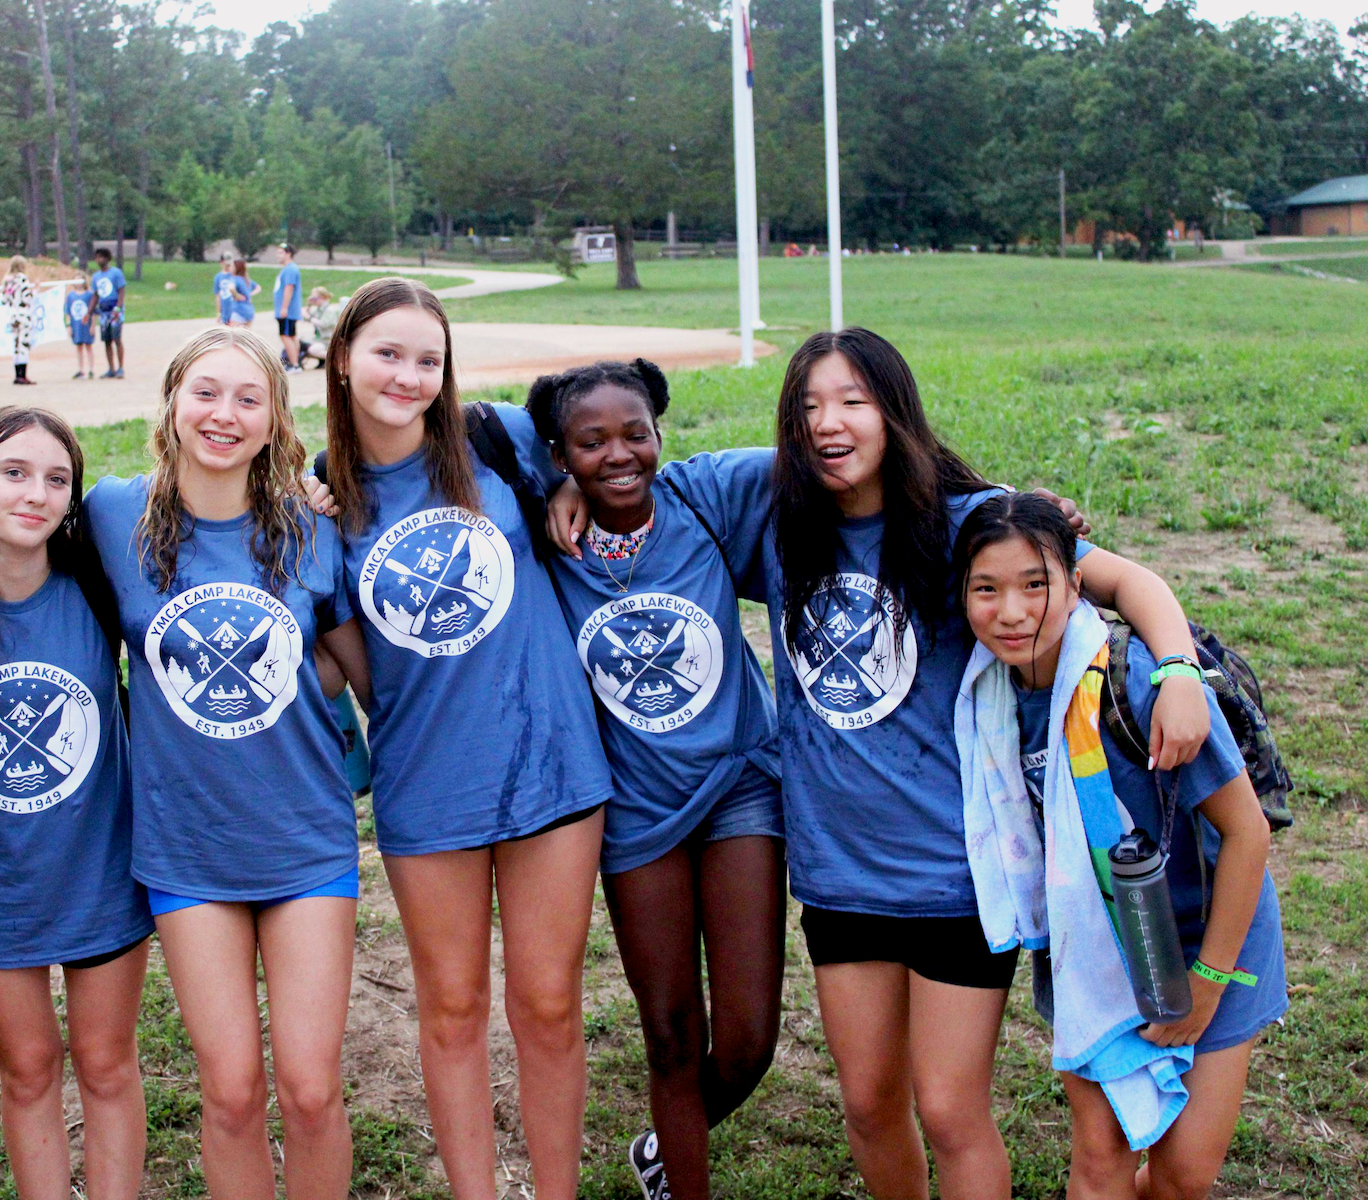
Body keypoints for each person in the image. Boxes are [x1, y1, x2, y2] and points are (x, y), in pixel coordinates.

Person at [544, 327, 1212, 1200]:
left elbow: (1127, 584)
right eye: (810, 407)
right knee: (866, 1104)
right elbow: (614, 464)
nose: (830, 424)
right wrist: (562, 479)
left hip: (957, 873)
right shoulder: (771, 510)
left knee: (949, 1108)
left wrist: (1179, 670)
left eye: (853, 402)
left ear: (894, 414)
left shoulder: (969, 523)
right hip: (838, 873)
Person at [310, 277, 613, 1200]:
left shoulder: (496, 441)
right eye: (387, 353)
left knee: (551, 1004)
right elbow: (343, 657)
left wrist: (563, 482)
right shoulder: (320, 496)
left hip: (552, 764)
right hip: (430, 780)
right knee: (450, 1009)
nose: (408, 375)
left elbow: (594, 461)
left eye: (427, 359)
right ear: (343, 360)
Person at [81, 327, 371, 1200]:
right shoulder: (108, 515)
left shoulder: (310, 530)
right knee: (234, 1092)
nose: (224, 414)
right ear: (171, 402)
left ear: (275, 420)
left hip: (305, 837)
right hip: (185, 844)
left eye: (249, 398)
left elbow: (363, 670)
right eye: (205, 392)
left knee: (312, 1091)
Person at [955, 493, 1285, 1200]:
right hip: (1095, 949)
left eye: (1036, 585)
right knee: (1100, 1154)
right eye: (986, 589)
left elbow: (1248, 832)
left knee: (1182, 1178)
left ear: (1079, 585)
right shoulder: (985, 700)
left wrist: (1208, 983)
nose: (1011, 612)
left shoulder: (1134, 681)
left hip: (1212, 939)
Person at [526, 360, 786, 1200]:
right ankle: (681, 1178)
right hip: (636, 809)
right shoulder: (542, 537)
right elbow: (454, 426)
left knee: (746, 1038)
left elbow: (842, 452)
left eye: (635, 432)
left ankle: (665, 1145)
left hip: (739, 784)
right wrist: (550, 483)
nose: (619, 454)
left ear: (661, 434)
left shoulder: (703, 497)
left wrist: (1002, 505)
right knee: (671, 1034)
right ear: (559, 453)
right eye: (591, 441)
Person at [0, 406, 153, 1200]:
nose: (36, 494)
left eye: (57, 479)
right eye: (14, 473)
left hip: (101, 869)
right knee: (27, 1071)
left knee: (109, 1064)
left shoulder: (97, 578)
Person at [2, 257, 39, 386]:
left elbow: (4, 299)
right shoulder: (22, 279)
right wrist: (36, 290)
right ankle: (23, 375)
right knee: (23, 344)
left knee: (16, 345)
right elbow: (27, 298)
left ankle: (17, 374)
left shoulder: (7, 280)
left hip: (12, 315)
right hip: (23, 315)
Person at [91, 248, 126, 379]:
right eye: (97, 257)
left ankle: (121, 367)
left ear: (107, 258)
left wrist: (118, 307)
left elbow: (121, 291)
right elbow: (95, 295)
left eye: (101, 257)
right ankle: (111, 368)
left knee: (117, 339)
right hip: (103, 311)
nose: (99, 260)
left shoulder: (116, 273)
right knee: (107, 340)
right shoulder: (96, 277)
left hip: (114, 309)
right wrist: (90, 312)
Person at [273, 244, 303, 373]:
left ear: (288, 253)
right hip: (288, 310)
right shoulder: (286, 269)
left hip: (288, 311)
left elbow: (289, 288)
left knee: (285, 335)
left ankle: (294, 364)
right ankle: (295, 362)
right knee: (291, 336)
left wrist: (284, 307)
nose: (278, 256)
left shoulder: (290, 269)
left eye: (280, 253)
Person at [66, 274, 97, 379]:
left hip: (86, 324)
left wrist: (93, 325)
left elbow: (92, 311)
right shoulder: (71, 296)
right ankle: (81, 369)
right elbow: (68, 312)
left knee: (88, 346)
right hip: (76, 324)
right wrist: (69, 325)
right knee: (79, 347)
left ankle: (91, 369)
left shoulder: (89, 295)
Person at [220, 259, 259, 329]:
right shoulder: (246, 280)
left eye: (232, 266)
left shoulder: (235, 279)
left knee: (234, 334)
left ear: (236, 269)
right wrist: (251, 294)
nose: (230, 268)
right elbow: (258, 288)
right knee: (246, 335)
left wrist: (236, 295)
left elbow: (231, 288)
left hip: (239, 310)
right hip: (249, 310)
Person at [213, 259, 235, 326]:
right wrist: (219, 312)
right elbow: (218, 296)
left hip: (234, 307)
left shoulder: (234, 276)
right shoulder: (218, 277)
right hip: (224, 306)